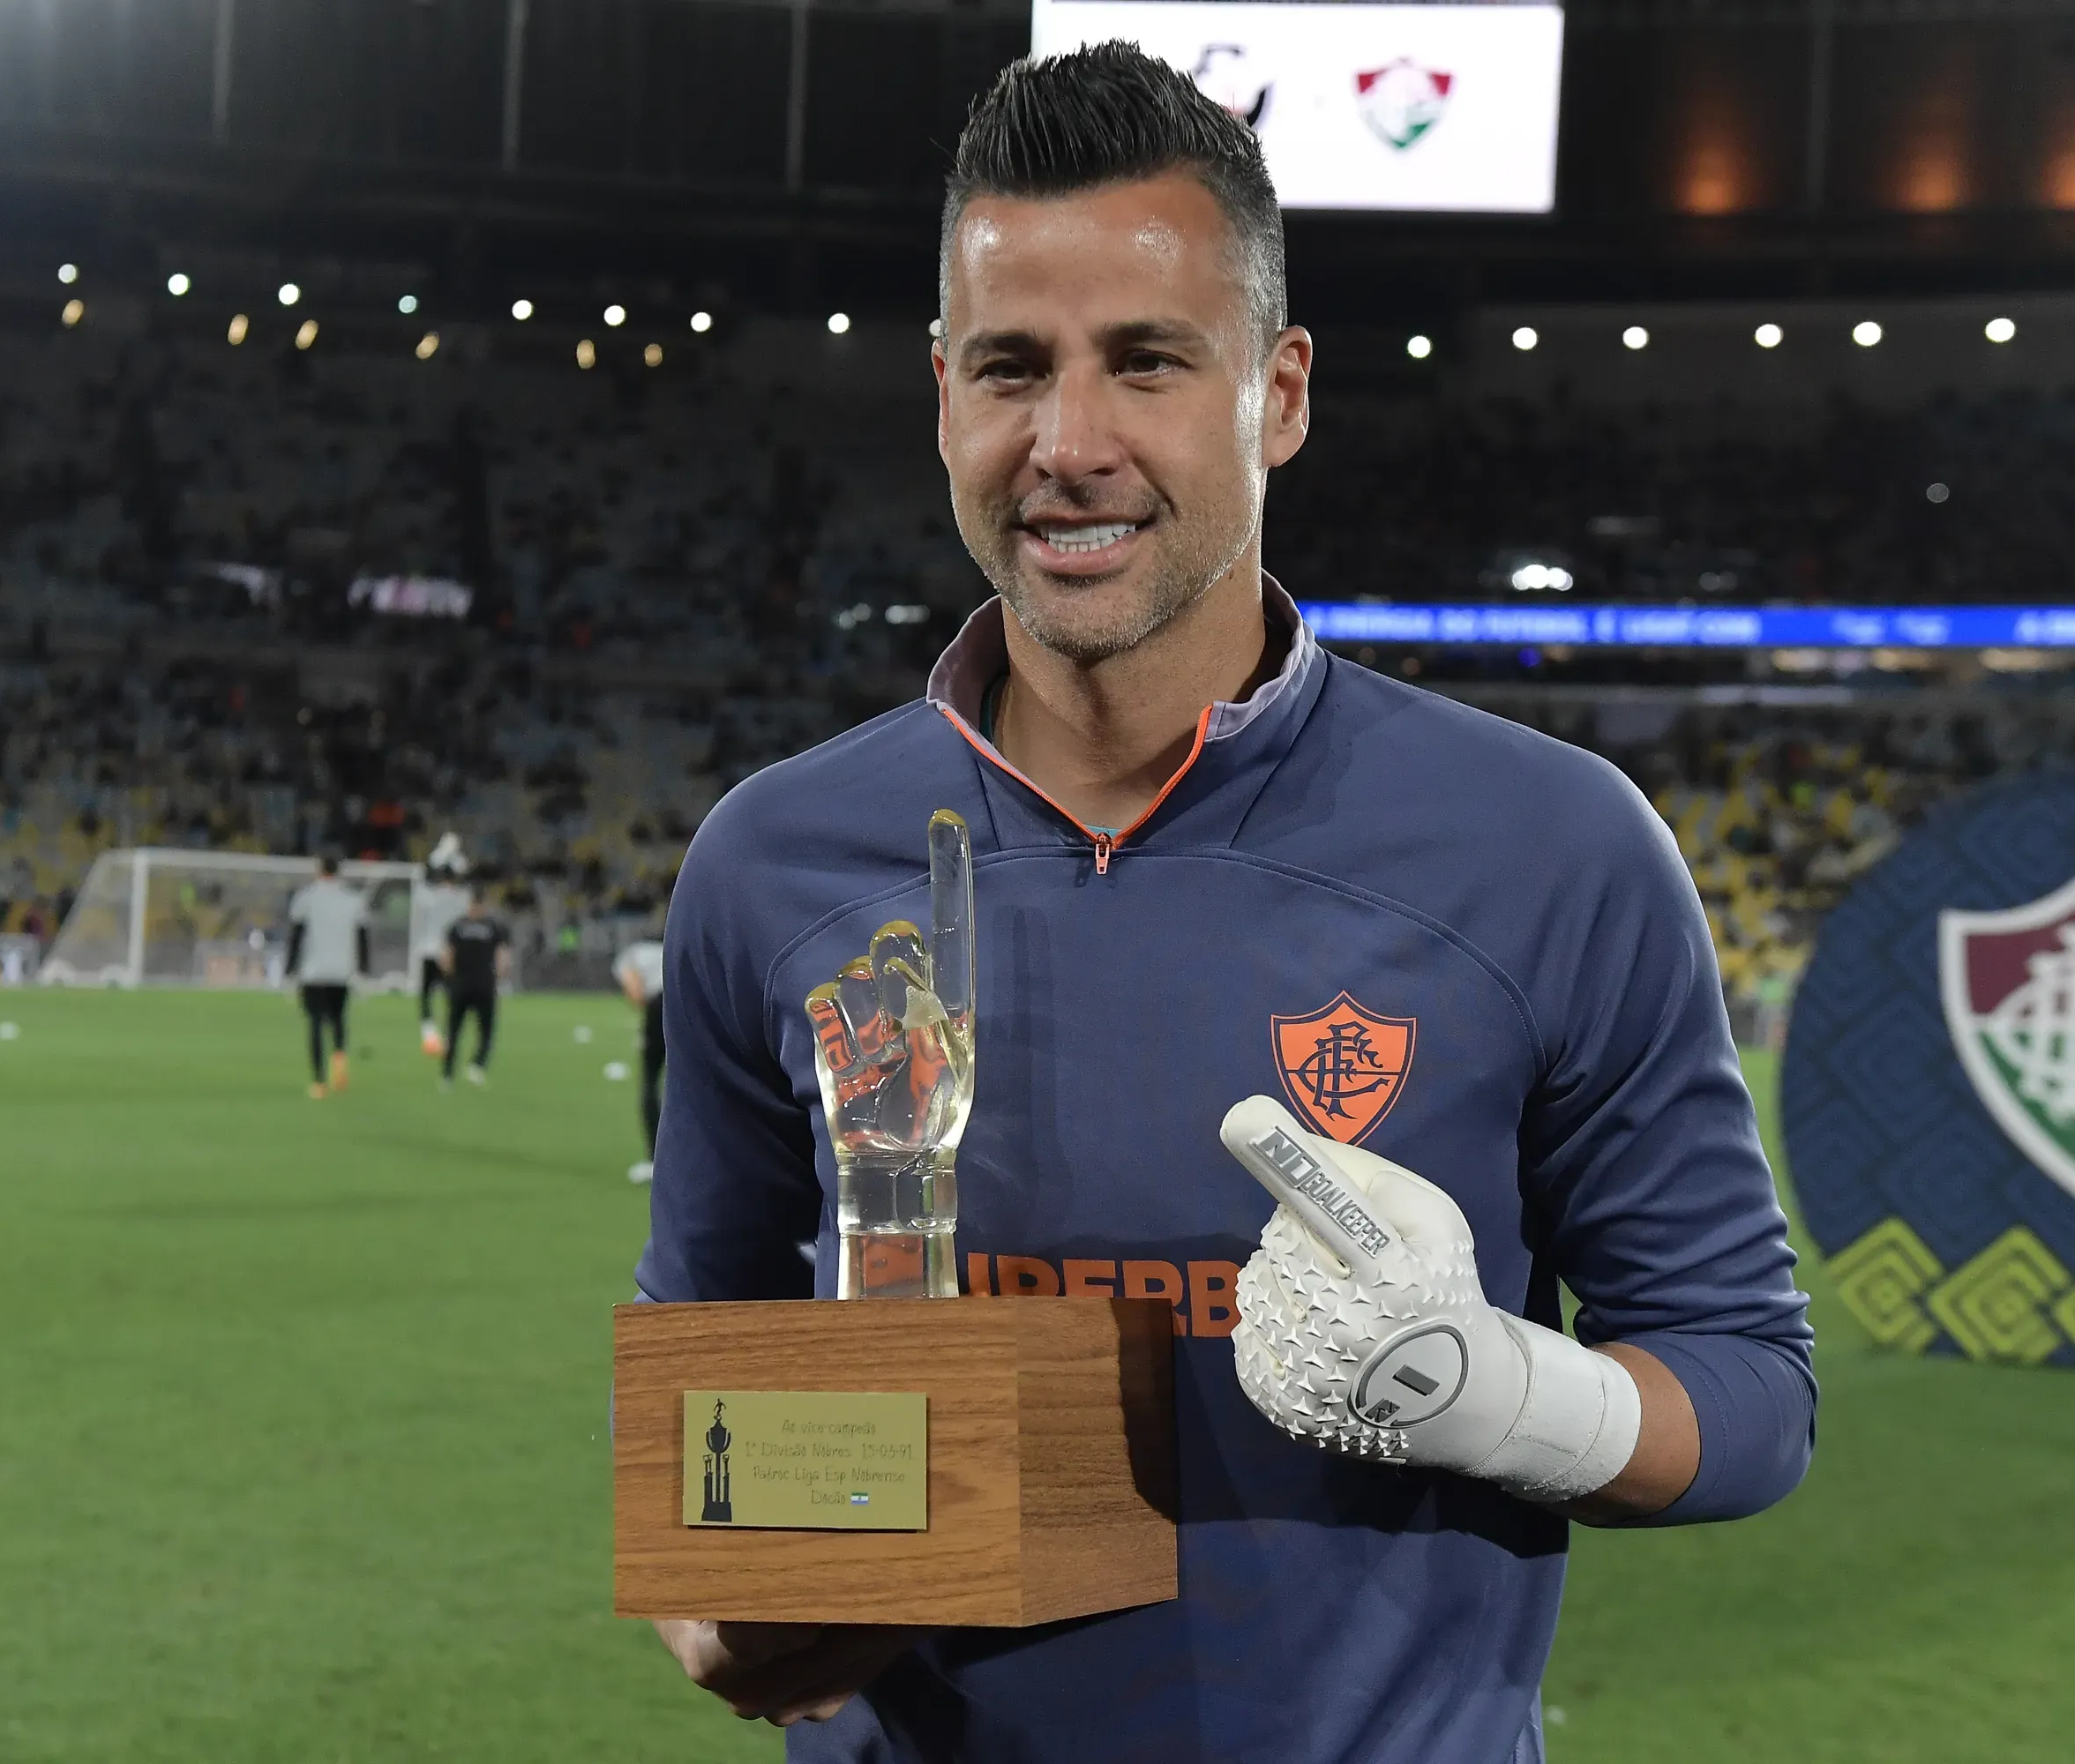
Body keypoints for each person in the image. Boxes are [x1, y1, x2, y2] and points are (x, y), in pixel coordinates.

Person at [634, 43, 1813, 1763]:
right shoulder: (774, 857)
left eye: (1148, 364)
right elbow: (701, 1335)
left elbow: (1753, 1397)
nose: (1070, 443)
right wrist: (715, 1565)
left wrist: (1490, 1385)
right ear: (943, 393)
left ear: (1279, 392)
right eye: (1011, 369)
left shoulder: (1551, 847)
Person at [285, 854, 368, 1099]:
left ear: (319, 870)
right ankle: (340, 1061)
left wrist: (290, 970)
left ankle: (319, 1082)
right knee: (339, 1019)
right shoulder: (353, 899)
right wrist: (363, 971)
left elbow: (296, 936)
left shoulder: (306, 898)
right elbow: (362, 937)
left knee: (315, 1025)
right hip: (342, 971)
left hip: (314, 971)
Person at [438, 886, 508, 1088]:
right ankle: (456, 1070)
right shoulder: (491, 927)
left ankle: (464, 1069)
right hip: (476, 984)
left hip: (471, 984)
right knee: (459, 1030)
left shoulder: (459, 926)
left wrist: (448, 977)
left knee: (470, 1029)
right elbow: (502, 957)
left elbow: (447, 957)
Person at [413, 836, 473, 1058]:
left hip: (429, 951)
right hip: (451, 954)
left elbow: (421, 881)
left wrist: (437, 854)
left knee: (426, 995)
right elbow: (468, 881)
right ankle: (449, 1037)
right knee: (451, 997)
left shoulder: (429, 896)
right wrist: (455, 855)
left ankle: (429, 1036)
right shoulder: (461, 898)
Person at [613, 933, 664, 1184]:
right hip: (689, 1002)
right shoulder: (668, 947)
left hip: (659, 1003)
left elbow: (635, 991)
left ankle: (655, 1159)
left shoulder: (628, 956)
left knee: (649, 1081)